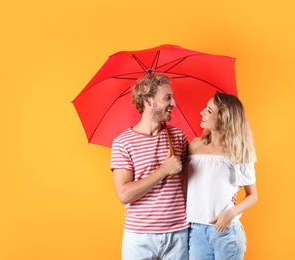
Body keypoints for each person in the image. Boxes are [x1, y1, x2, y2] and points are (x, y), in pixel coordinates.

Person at [110, 73, 189, 260]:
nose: (174, 103)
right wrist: (163, 171)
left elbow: (190, 184)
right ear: (148, 101)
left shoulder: (178, 137)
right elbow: (124, 194)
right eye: (167, 98)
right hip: (139, 236)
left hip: (178, 232)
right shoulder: (123, 143)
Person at [186, 92, 258, 260]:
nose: (202, 112)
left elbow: (253, 196)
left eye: (209, 110)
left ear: (224, 117)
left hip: (225, 231)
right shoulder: (194, 146)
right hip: (196, 231)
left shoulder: (238, 151)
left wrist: (231, 213)